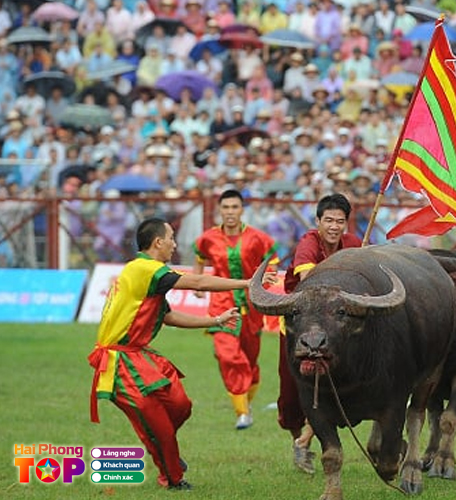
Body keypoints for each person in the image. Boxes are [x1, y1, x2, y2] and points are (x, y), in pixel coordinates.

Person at [88, 217, 269, 490]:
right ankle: (172, 478)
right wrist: (247, 284)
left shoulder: (147, 272)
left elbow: (168, 317)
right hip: (120, 362)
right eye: (171, 237)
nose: (174, 243)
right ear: (158, 242)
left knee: (180, 406)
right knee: (160, 429)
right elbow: (197, 281)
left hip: (139, 356)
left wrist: (215, 320)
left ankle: (161, 447)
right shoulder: (144, 269)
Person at [279, 193, 361, 474]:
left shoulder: (353, 245)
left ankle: (304, 441)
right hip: (299, 327)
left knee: (333, 386)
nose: (334, 226)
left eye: (340, 221)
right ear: (318, 222)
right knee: (292, 395)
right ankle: (298, 439)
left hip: (337, 330)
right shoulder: (308, 243)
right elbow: (309, 283)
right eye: (329, 220)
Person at [193, 189, 280, 430]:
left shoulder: (258, 238)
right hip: (221, 303)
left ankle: (246, 403)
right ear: (219, 210)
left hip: (252, 305)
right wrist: (198, 282)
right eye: (226, 207)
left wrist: (268, 279)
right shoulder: (207, 238)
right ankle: (242, 412)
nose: (230, 212)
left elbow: (271, 263)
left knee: (250, 359)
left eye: (234, 207)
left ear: (242, 210)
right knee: (227, 354)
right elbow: (199, 258)